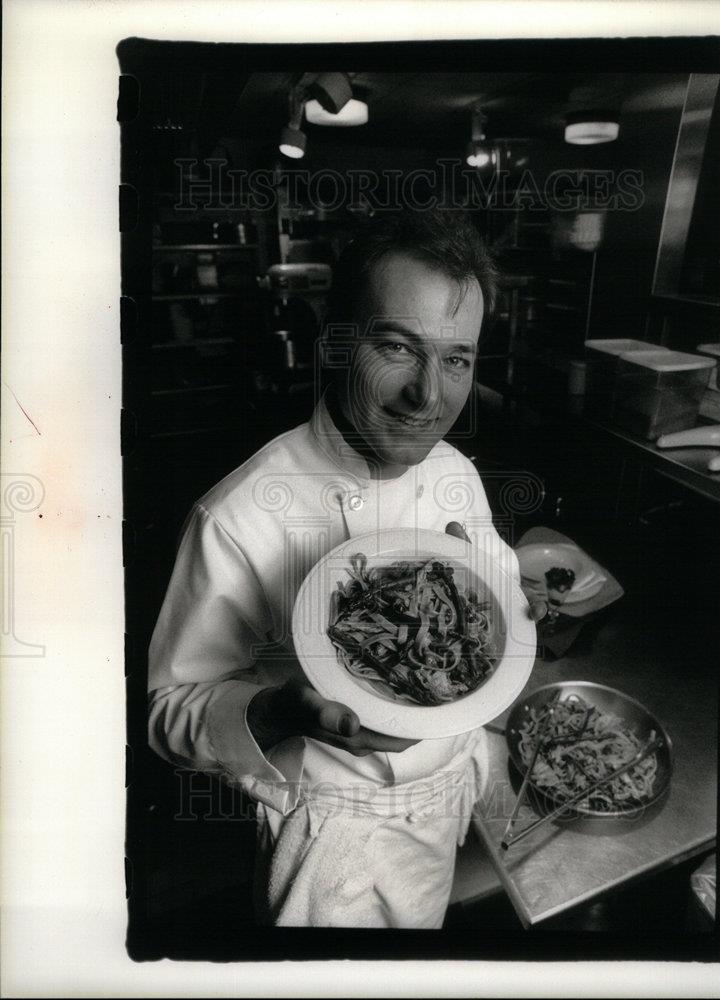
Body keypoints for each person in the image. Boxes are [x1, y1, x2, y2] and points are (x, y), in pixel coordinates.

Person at [148, 207, 536, 928]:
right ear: (338, 339)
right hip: (334, 835)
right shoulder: (237, 514)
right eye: (398, 346)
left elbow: (487, 587)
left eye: (456, 359)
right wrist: (280, 712)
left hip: (452, 789)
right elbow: (167, 713)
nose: (430, 395)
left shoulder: (454, 471)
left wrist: (514, 594)